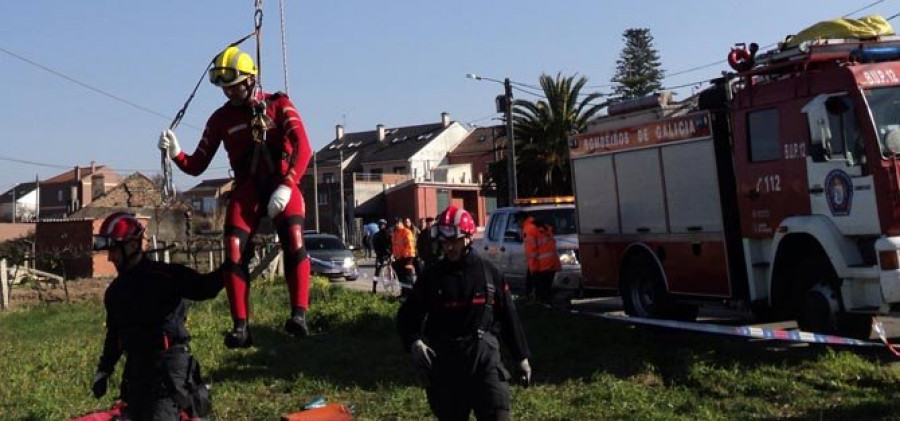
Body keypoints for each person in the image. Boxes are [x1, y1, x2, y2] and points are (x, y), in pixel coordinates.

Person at [158, 46, 314, 347]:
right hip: (248, 188)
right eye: (224, 88)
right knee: (232, 249)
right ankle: (240, 326)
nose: (228, 93)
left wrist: (288, 184)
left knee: (294, 238)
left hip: (282, 181)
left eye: (233, 86)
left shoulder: (279, 105)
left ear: (250, 80)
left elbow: (303, 147)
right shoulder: (220, 119)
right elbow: (198, 164)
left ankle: (299, 315)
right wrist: (176, 153)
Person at [397, 205, 532, 421]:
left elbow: (509, 317)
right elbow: (407, 317)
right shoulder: (432, 277)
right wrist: (414, 341)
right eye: (444, 243)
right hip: (446, 365)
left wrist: (521, 357)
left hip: (485, 361)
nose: (449, 248)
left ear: (468, 238)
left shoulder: (490, 273)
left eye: (454, 242)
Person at [90, 212, 222, 420]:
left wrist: (234, 264)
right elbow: (115, 334)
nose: (110, 257)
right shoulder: (116, 291)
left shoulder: (166, 276)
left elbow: (205, 288)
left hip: (168, 368)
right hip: (136, 370)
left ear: (133, 246)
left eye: (114, 250)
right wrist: (104, 370)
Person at [515, 211, 561, 304]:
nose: (517, 225)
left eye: (517, 222)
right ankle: (548, 308)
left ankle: (542, 310)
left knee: (541, 294)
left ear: (521, 220)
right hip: (551, 264)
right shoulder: (540, 225)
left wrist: (533, 271)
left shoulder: (529, 229)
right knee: (547, 292)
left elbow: (532, 253)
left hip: (542, 266)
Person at [391, 217, 417, 297]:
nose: (396, 225)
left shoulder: (406, 232)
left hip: (407, 257)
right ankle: (404, 293)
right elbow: (394, 246)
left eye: (397, 223)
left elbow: (409, 246)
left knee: (407, 276)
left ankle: (411, 294)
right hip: (399, 258)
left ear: (401, 223)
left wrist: (402, 256)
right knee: (401, 276)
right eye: (395, 223)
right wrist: (394, 255)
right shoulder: (395, 233)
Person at [372, 219, 392, 294]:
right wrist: (377, 252)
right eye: (380, 224)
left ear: (385, 225)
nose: (381, 226)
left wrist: (391, 252)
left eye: (383, 224)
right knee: (377, 272)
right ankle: (374, 287)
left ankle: (391, 282)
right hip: (380, 255)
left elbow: (392, 244)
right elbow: (374, 245)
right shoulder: (376, 235)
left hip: (388, 254)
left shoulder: (389, 234)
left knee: (392, 268)